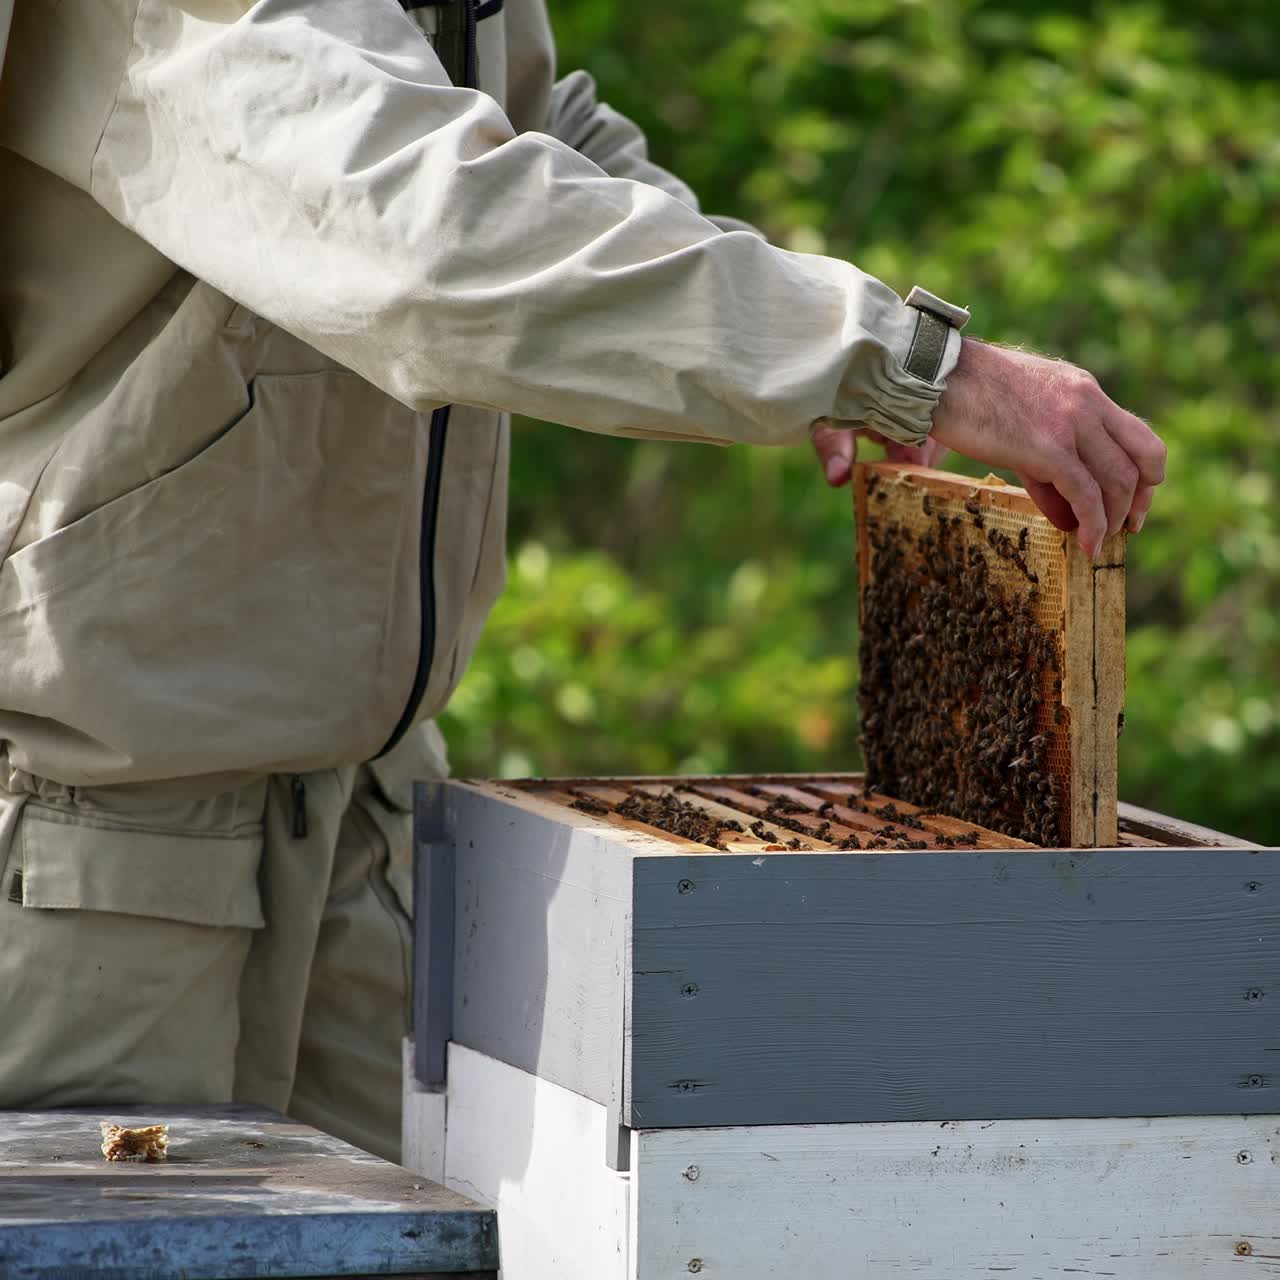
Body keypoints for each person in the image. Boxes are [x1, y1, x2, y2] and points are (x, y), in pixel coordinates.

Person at [0, 0, 1165, 1163]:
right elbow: (428, 232)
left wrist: (812, 342)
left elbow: (537, 143)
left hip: (362, 816)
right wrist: (879, 355)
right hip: (97, 847)